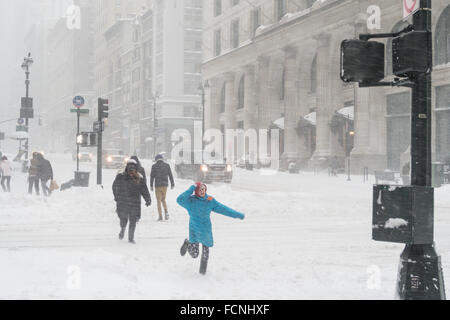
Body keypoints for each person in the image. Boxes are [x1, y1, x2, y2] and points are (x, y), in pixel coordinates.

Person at [177, 182, 245, 275]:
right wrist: (192, 187)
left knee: (205, 252)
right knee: (194, 254)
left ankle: (202, 273)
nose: (202, 191)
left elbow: (223, 209)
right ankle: (187, 243)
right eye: (200, 189)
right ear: (196, 191)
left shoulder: (210, 201)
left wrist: (237, 215)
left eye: (204, 189)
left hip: (206, 230)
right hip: (194, 230)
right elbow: (179, 199)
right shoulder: (190, 201)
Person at [113, 159, 151, 244]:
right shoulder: (136, 177)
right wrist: (147, 199)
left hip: (125, 202)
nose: (131, 169)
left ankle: (127, 234)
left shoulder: (123, 176)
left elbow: (115, 187)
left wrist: (117, 197)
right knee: (130, 220)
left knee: (127, 219)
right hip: (132, 202)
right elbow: (144, 190)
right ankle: (128, 235)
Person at [150, 154, 175, 221]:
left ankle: (160, 216)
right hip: (165, 185)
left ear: (156, 160)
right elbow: (170, 175)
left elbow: (152, 176)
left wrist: (151, 185)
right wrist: (172, 183)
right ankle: (166, 212)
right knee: (163, 200)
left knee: (158, 201)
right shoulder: (167, 165)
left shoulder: (154, 166)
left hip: (158, 186)